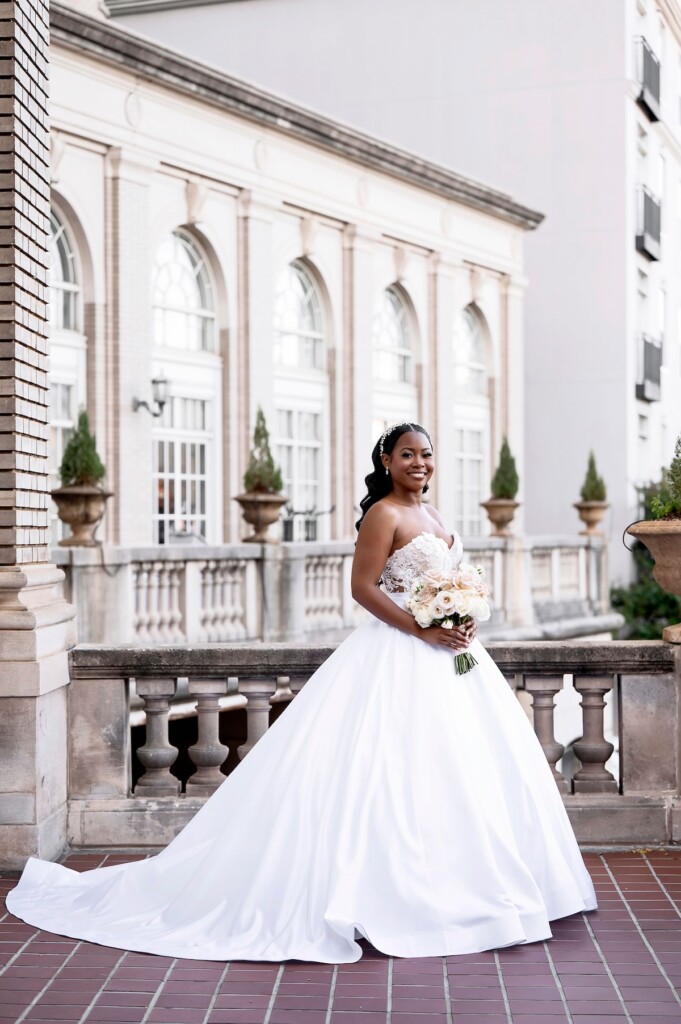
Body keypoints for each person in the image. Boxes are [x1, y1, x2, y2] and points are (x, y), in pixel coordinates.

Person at [6, 422, 596, 963]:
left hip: (453, 660)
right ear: (386, 461)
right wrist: (423, 626)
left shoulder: (435, 512)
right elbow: (363, 589)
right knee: (384, 773)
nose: (419, 463)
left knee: (458, 772)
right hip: (399, 654)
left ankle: (464, 882)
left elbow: (448, 583)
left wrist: (461, 619)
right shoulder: (383, 515)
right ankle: (389, 894)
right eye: (407, 454)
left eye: (426, 454)